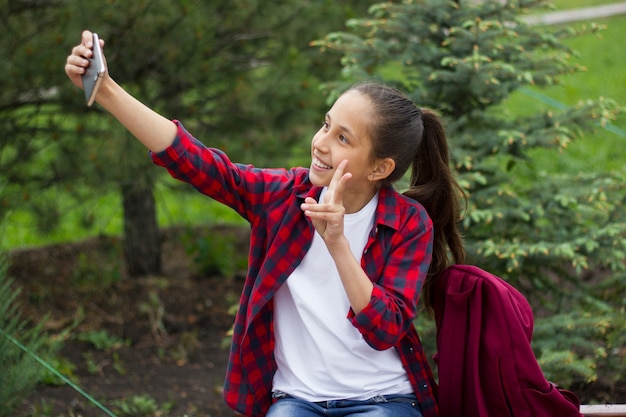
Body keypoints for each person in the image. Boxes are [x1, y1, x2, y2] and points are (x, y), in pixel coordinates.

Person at [65, 30, 465, 417]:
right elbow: (196, 161)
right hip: (298, 399)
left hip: (383, 400)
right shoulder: (285, 198)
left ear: (381, 167)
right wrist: (105, 89)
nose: (321, 142)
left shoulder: (408, 224)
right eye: (326, 125)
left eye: (344, 138)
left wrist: (338, 245)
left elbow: (384, 330)